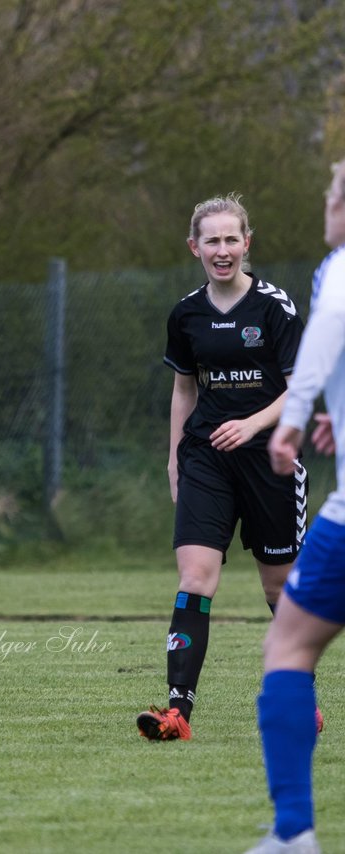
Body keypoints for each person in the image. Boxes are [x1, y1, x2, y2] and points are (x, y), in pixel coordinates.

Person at [137, 193, 308, 742]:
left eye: (232, 239)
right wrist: (173, 459)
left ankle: (298, 699)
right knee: (195, 579)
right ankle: (176, 712)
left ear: (247, 244)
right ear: (195, 247)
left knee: (279, 589)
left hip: (269, 458)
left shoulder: (274, 308)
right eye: (212, 240)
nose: (223, 249)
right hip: (206, 457)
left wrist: (254, 425)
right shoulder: (186, 314)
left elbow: (301, 389)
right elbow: (183, 387)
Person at [246, 161, 345, 854]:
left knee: (289, 645)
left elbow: (328, 329)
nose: (327, 205)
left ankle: (293, 835)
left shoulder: (340, 267)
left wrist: (293, 416)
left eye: (335, 195)